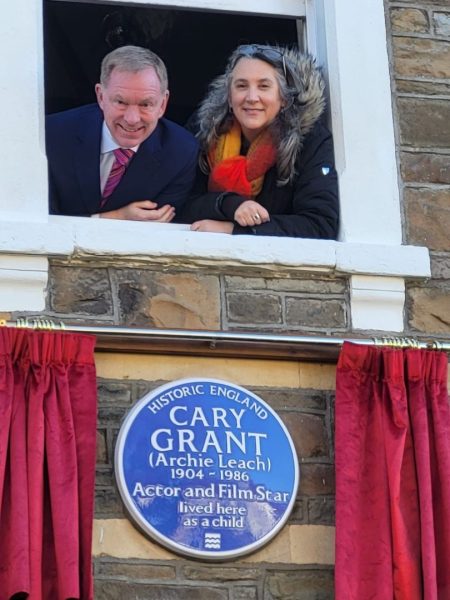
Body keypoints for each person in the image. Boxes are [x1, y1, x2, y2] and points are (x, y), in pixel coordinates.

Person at [178, 44, 339, 238]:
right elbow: (179, 203)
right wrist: (229, 205)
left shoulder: (310, 141)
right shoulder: (203, 130)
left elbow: (319, 224)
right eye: (242, 86)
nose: (252, 97)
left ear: (284, 98)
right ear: (229, 97)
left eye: (264, 86)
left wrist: (235, 230)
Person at [46, 45, 199, 220]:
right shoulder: (53, 134)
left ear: (163, 104)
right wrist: (117, 217)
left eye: (145, 104)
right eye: (120, 102)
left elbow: (159, 229)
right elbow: (40, 220)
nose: (132, 119)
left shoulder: (181, 151)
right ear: (101, 96)